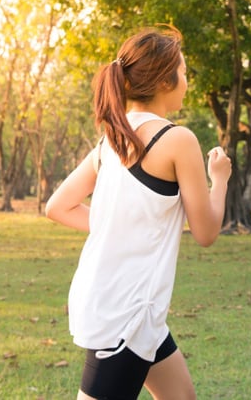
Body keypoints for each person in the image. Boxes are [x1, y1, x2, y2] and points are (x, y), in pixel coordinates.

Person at [45, 25, 232, 400]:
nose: (186, 81)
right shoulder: (177, 139)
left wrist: (117, 227)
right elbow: (207, 232)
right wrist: (220, 179)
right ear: (165, 80)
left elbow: (58, 206)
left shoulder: (111, 140)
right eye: (183, 72)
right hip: (125, 315)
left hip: (134, 309)